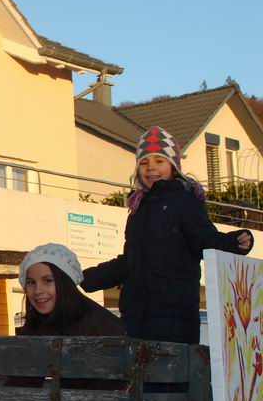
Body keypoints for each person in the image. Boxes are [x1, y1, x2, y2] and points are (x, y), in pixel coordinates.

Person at [81, 126, 253, 344]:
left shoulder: (184, 202)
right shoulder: (137, 210)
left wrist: (234, 242)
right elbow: (129, 263)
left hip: (175, 322)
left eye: (159, 161)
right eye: (144, 162)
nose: (151, 167)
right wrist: (86, 278)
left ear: (174, 166)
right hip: (136, 320)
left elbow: (205, 239)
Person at [18, 243, 124, 337]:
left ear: (66, 283)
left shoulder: (103, 329)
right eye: (31, 282)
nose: (37, 291)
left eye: (48, 281)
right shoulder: (31, 329)